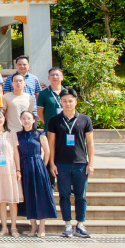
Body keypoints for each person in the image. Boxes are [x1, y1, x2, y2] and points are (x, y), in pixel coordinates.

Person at [47, 87, 94, 238]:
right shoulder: (54, 120)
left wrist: (91, 163)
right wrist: (52, 163)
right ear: (60, 102)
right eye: (64, 101)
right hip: (61, 163)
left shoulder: (85, 119)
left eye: (70, 101)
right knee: (64, 194)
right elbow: (51, 143)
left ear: (76, 102)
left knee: (81, 195)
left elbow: (90, 142)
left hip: (80, 163)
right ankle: (67, 224)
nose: (67, 104)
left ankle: (80, 224)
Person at [18, 109, 57, 237]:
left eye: (29, 118)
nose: (26, 121)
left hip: (37, 166)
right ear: (20, 120)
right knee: (28, 196)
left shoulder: (40, 134)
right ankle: (33, 226)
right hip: (24, 167)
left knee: (40, 196)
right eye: (24, 118)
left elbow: (47, 151)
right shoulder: (18, 135)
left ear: (34, 120)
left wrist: (42, 165)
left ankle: (42, 227)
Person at [0, 108, 22, 237]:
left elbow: (16, 153)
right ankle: (4, 227)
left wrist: (18, 169)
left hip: (10, 169)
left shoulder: (11, 134)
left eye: (1, 117)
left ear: (5, 119)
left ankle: (14, 227)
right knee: (1, 201)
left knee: (12, 200)